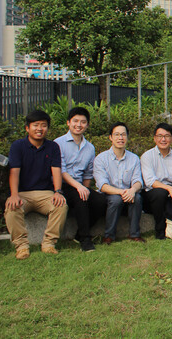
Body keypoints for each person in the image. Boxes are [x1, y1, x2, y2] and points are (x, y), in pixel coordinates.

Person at [4, 110, 68, 260]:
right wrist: (13, 195)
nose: (40, 129)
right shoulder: (18, 146)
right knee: (11, 208)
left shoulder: (53, 147)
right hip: (23, 194)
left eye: (44, 125)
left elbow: (56, 171)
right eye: (36, 125)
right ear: (27, 128)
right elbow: (14, 172)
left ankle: (48, 244)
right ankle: (21, 247)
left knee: (61, 206)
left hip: (45, 193)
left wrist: (58, 191)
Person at [54, 107, 106, 252]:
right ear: (68, 123)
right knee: (80, 197)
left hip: (79, 186)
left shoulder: (90, 147)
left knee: (101, 201)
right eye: (75, 121)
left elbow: (88, 173)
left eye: (83, 122)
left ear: (87, 125)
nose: (79, 125)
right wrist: (80, 188)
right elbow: (61, 170)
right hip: (62, 185)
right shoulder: (58, 143)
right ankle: (85, 239)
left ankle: (78, 234)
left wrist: (85, 188)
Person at [93, 122, 145, 244]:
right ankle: (109, 236)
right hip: (109, 195)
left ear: (127, 137)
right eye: (116, 134)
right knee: (116, 200)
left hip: (128, 194)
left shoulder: (134, 158)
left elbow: (138, 181)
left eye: (123, 134)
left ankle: (134, 234)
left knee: (137, 197)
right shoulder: (101, 158)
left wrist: (132, 190)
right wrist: (122, 192)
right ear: (111, 137)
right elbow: (102, 185)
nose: (120, 138)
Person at [141, 123, 172, 240]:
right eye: (160, 136)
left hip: (170, 194)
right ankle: (160, 231)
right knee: (160, 193)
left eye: (167, 136)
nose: (163, 139)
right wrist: (170, 188)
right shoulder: (147, 156)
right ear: (154, 138)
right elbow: (150, 181)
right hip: (151, 195)